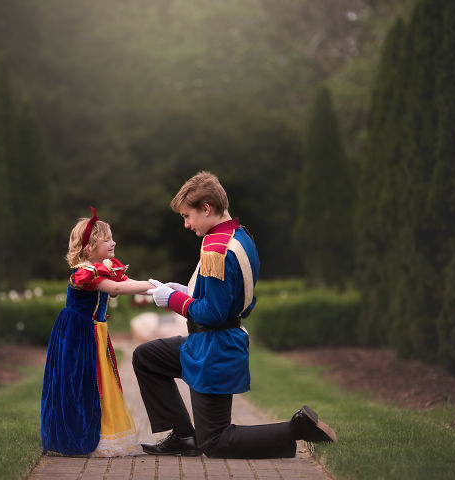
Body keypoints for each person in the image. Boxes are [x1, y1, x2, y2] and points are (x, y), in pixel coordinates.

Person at [135, 171, 337, 458]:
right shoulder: (241, 236)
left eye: (187, 216)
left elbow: (213, 314)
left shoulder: (215, 249)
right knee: (147, 357)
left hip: (213, 350)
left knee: (215, 442)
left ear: (206, 208)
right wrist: (187, 290)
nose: (186, 224)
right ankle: (183, 437)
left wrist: (173, 300)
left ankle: (297, 429)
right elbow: (239, 299)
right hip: (209, 344)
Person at [41, 208, 152, 457]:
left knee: (101, 381)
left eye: (112, 238)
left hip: (94, 332)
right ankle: (83, 434)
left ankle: (103, 431)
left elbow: (127, 283)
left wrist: (159, 288)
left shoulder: (105, 268)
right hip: (78, 334)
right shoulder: (85, 273)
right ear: (89, 248)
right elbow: (116, 289)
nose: (114, 242)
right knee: (82, 382)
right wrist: (153, 287)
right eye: (107, 240)